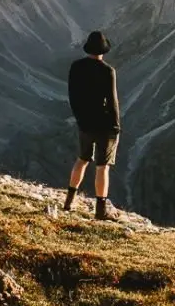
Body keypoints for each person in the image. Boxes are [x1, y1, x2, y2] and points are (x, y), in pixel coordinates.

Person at [63, 30, 121, 220]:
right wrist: (116, 126)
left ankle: (69, 202)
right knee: (102, 166)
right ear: (103, 51)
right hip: (104, 124)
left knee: (82, 159)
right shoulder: (107, 71)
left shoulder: (76, 67)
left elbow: (72, 96)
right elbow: (112, 102)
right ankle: (100, 210)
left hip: (85, 123)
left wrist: (80, 118)